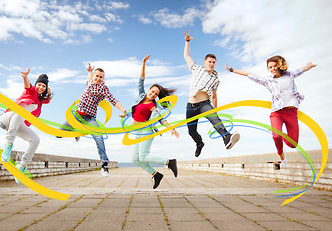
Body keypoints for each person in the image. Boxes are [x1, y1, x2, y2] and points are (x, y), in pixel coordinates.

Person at [225, 55, 317, 167]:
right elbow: (249, 74)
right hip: (277, 113)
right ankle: (281, 153)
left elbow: (302, 70)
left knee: (293, 144)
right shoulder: (268, 81)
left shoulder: (290, 75)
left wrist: (310, 66)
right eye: (270, 67)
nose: (272, 69)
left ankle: (274, 131)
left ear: (279, 65)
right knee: (276, 136)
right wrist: (231, 69)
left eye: (274, 66)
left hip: (291, 113)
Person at [59, 63, 126, 177]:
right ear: (94, 76)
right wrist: (89, 71)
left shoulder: (103, 89)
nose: (98, 78)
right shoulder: (89, 82)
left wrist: (123, 110)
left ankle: (104, 166)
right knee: (59, 134)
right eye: (97, 76)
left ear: (103, 78)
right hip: (76, 115)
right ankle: (77, 130)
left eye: (101, 77)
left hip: (90, 118)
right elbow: (89, 79)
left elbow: (113, 100)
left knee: (99, 138)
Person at [184, 30, 240, 157]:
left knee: (216, 120)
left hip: (204, 104)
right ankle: (199, 143)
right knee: (191, 131)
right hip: (191, 106)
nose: (211, 64)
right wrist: (187, 42)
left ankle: (227, 138)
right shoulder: (196, 69)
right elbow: (187, 57)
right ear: (205, 62)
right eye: (209, 62)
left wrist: (215, 110)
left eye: (213, 62)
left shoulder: (216, 79)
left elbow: (214, 95)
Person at [129, 54, 179, 189]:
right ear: (149, 90)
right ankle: (156, 174)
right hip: (136, 130)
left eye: (156, 94)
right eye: (152, 91)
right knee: (135, 158)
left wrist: (171, 128)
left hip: (147, 130)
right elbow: (140, 81)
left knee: (143, 156)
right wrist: (143, 63)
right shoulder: (141, 96)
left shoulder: (153, 106)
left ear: (157, 96)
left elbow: (161, 119)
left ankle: (169, 162)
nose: (153, 94)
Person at [0, 69, 52, 183]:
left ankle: (21, 167)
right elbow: (28, 86)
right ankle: (8, 144)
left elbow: (47, 100)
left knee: (35, 139)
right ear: (36, 84)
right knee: (24, 109)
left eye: (43, 86)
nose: (41, 87)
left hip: (17, 123)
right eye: (39, 85)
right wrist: (25, 77)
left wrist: (49, 93)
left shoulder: (40, 101)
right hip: (6, 118)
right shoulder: (31, 91)